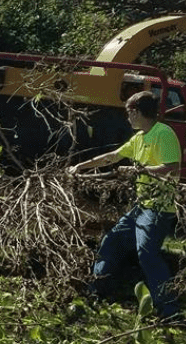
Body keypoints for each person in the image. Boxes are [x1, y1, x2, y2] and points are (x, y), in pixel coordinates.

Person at [68, 90, 182, 320]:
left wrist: (139, 170)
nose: (127, 118)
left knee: (147, 254)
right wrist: (81, 167)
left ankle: (169, 310)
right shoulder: (140, 138)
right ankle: (96, 292)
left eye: (129, 113)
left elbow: (172, 166)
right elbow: (114, 156)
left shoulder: (164, 133)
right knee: (112, 242)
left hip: (159, 207)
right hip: (142, 206)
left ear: (138, 112)